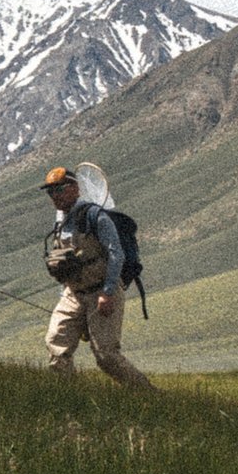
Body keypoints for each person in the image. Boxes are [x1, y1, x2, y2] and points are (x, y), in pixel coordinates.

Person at [43, 163, 152, 389]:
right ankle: (70, 398)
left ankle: (148, 395)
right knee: (56, 346)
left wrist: (108, 292)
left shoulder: (95, 216)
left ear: (75, 188)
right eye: (51, 191)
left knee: (106, 356)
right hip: (72, 294)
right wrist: (64, 291)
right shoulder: (59, 222)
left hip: (101, 292)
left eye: (60, 189)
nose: (55, 196)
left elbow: (116, 253)